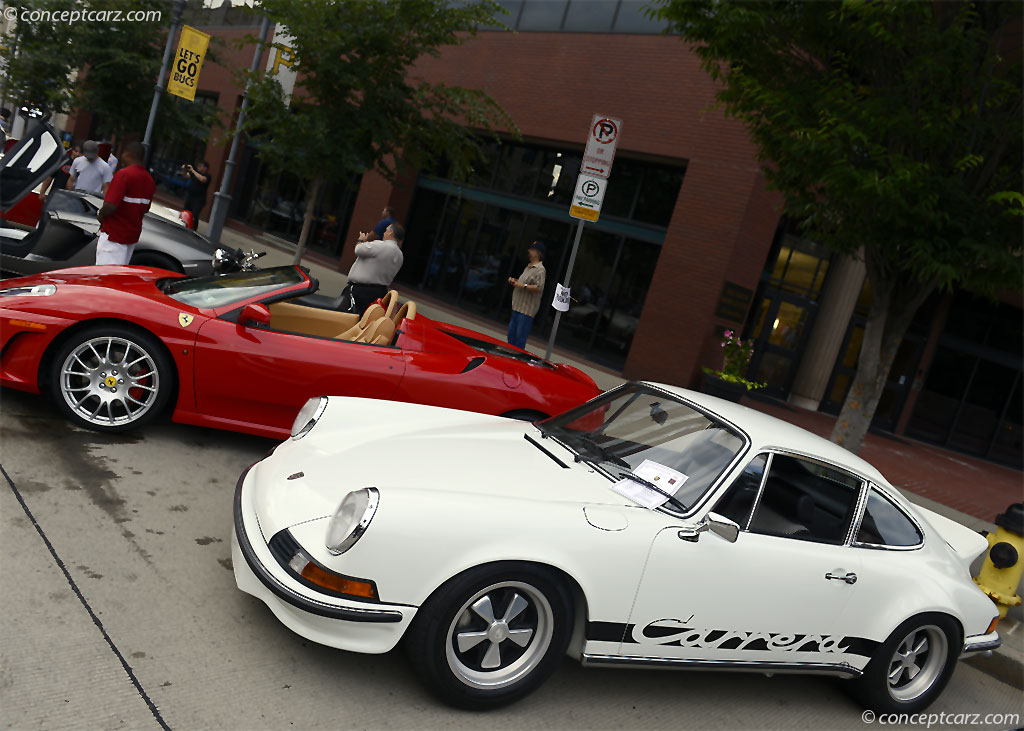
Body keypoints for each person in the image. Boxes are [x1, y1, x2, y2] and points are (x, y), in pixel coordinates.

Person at [95, 141, 155, 266]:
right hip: (131, 236)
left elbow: (111, 205)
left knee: (104, 277)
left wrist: (100, 214)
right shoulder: (149, 180)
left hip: (114, 235)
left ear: (128, 154)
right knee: (117, 275)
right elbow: (146, 209)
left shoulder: (124, 174)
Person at [339, 223, 405, 313]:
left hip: (360, 291)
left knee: (344, 314)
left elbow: (358, 249)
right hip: (380, 292)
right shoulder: (399, 255)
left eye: (386, 230)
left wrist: (361, 240)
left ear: (391, 233)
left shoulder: (380, 245)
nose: (384, 233)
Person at [506, 241, 546, 350]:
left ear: (538, 253)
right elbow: (525, 282)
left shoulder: (540, 270)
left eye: (532, 250)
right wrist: (516, 281)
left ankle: (517, 360)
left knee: (519, 339)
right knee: (511, 335)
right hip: (517, 307)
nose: (529, 251)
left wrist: (521, 285)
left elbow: (538, 287)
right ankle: (510, 357)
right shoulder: (528, 267)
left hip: (526, 310)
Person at [181, 161, 210, 231]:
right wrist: (184, 169)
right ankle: (183, 226)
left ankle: (193, 229)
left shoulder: (207, 176)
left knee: (195, 214)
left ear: (205, 168)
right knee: (185, 212)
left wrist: (193, 171)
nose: (198, 167)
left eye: (200, 166)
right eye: (198, 166)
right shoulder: (195, 174)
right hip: (190, 196)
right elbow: (185, 175)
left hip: (199, 199)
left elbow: (203, 179)